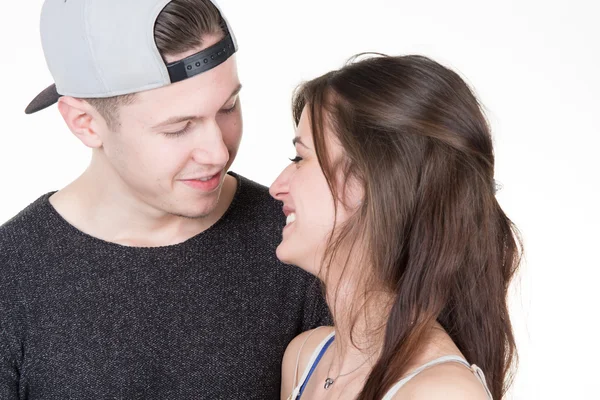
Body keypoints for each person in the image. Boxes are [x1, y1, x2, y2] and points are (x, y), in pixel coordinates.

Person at [0, 0, 331, 398]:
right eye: (178, 128)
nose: (218, 152)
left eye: (228, 107)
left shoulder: (304, 241)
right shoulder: (12, 278)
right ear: (85, 123)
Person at [271, 54, 522, 400]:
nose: (276, 186)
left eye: (300, 159)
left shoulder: (442, 394)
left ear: (367, 182)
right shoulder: (304, 359)